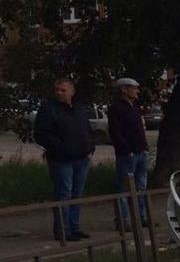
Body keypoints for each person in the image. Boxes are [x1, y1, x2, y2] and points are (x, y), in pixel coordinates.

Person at [33, 77, 95, 241]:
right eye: (57, 90)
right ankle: (63, 230)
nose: (59, 93)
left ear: (72, 91)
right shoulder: (48, 109)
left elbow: (86, 129)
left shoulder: (79, 109)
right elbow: (41, 134)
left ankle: (74, 227)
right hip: (61, 160)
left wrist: (90, 147)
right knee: (64, 194)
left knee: (77, 193)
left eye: (63, 90)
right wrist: (60, 148)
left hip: (82, 158)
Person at [108, 77, 151, 229]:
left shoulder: (135, 107)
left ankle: (142, 217)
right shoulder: (116, 108)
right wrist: (126, 149)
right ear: (124, 90)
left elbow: (139, 129)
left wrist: (145, 147)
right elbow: (116, 132)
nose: (137, 91)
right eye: (134, 88)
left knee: (141, 186)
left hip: (140, 151)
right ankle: (123, 220)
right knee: (124, 187)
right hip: (128, 154)